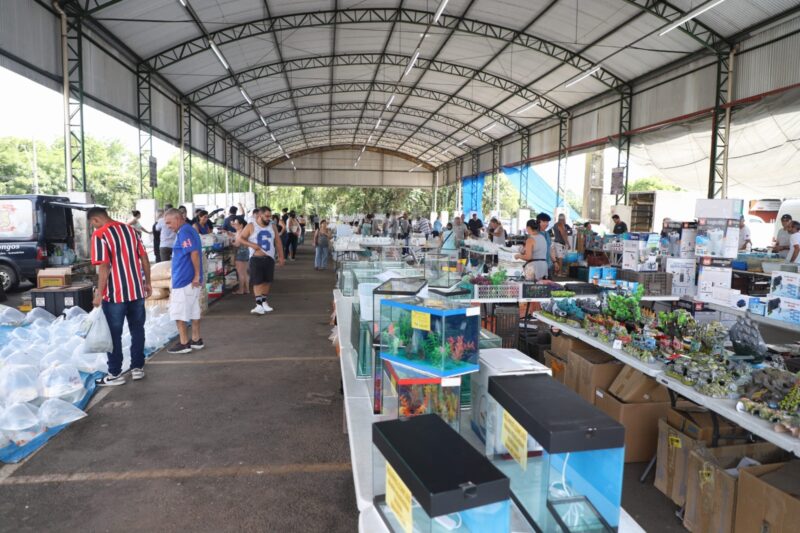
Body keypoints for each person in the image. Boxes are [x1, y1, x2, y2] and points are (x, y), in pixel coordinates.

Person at [88, 207, 152, 385]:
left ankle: (115, 374)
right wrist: (148, 282)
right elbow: (144, 258)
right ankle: (137, 368)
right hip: (137, 291)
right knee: (137, 329)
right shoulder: (131, 230)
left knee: (114, 334)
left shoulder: (100, 235)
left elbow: (104, 266)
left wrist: (99, 293)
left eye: (92, 224)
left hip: (115, 295)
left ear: (95, 221)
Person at [164, 209, 204, 354]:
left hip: (184, 280)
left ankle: (184, 342)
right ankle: (196, 339)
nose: (168, 226)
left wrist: (196, 275)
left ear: (178, 218)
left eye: (169, 222)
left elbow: (193, 252)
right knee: (194, 311)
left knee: (179, 313)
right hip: (190, 280)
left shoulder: (185, 232)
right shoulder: (187, 230)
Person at [237, 206, 285, 315]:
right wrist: (252, 245)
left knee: (267, 281)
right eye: (267, 216)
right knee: (257, 281)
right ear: (260, 215)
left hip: (269, 257)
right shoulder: (251, 226)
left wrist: (281, 257)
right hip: (256, 258)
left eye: (270, 216)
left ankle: (264, 302)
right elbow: (240, 238)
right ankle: (258, 305)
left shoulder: (272, 226)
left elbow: (278, 242)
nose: (269, 218)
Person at [231, 216, 250, 294]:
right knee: (245, 272)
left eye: (236, 224)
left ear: (241, 225)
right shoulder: (243, 231)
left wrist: (231, 242)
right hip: (246, 252)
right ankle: (247, 289)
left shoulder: (240, 232)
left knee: (240, 273)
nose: (234, 225)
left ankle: (241, 290)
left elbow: (237, 244)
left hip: (240, 253)